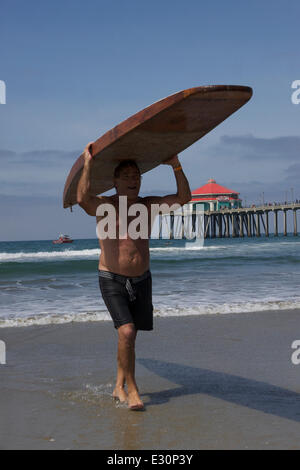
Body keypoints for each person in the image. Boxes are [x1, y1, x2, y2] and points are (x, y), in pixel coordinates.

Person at [77, 142, 191, 410]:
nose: (133, 181)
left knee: (128, 337)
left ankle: (118, 385)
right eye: (126, 176)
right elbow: (82, 199)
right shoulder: (105, 205)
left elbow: (183, 197)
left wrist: (175, 164)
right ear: (114, 181)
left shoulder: (148, 205)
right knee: (127, 332)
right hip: (111, 278)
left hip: (141, 279)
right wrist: (88, 164)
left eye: (136, 176)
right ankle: (133, 389)